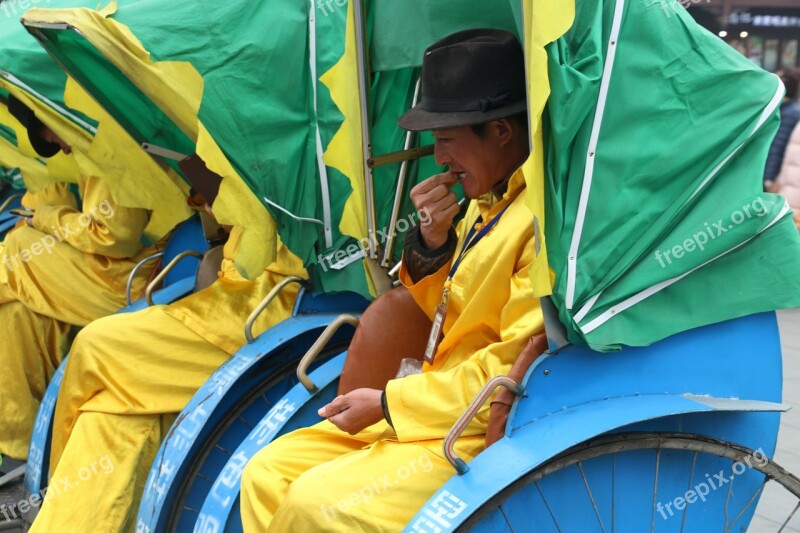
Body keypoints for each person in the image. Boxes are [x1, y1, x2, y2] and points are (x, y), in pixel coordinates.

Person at [239, 29, 545, 531]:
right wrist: (432, 240)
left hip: (471, 424)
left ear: (501, 132)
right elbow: (444, 306)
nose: (440, 158)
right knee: (266, 472)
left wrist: (386, 402)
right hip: (430, 400)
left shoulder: (537, 222)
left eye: (447, 139)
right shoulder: (484, 203)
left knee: (314, 505)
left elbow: (509, 369)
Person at [28, 198, 308, 531]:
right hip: (223, 299)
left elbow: (255, 250)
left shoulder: (284, 181)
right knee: (104, 417)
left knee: (93, 346)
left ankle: (51, 480)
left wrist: (219, 201)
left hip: (259, 311)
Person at [0, 96, 169, 462]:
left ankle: (16, 446)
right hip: (130, 272)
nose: (60, 146)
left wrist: (44, 218)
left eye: (54, 134)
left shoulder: (105, 151)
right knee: (13, 314)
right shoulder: (93, 147)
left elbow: (113, 238)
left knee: (18, 244)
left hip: (140, 280)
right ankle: (17, 446)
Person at [764, 69, 800, 187]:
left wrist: (768, 178)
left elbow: (777, 147)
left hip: (775, 179)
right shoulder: (785, 109)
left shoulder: (790, 113)